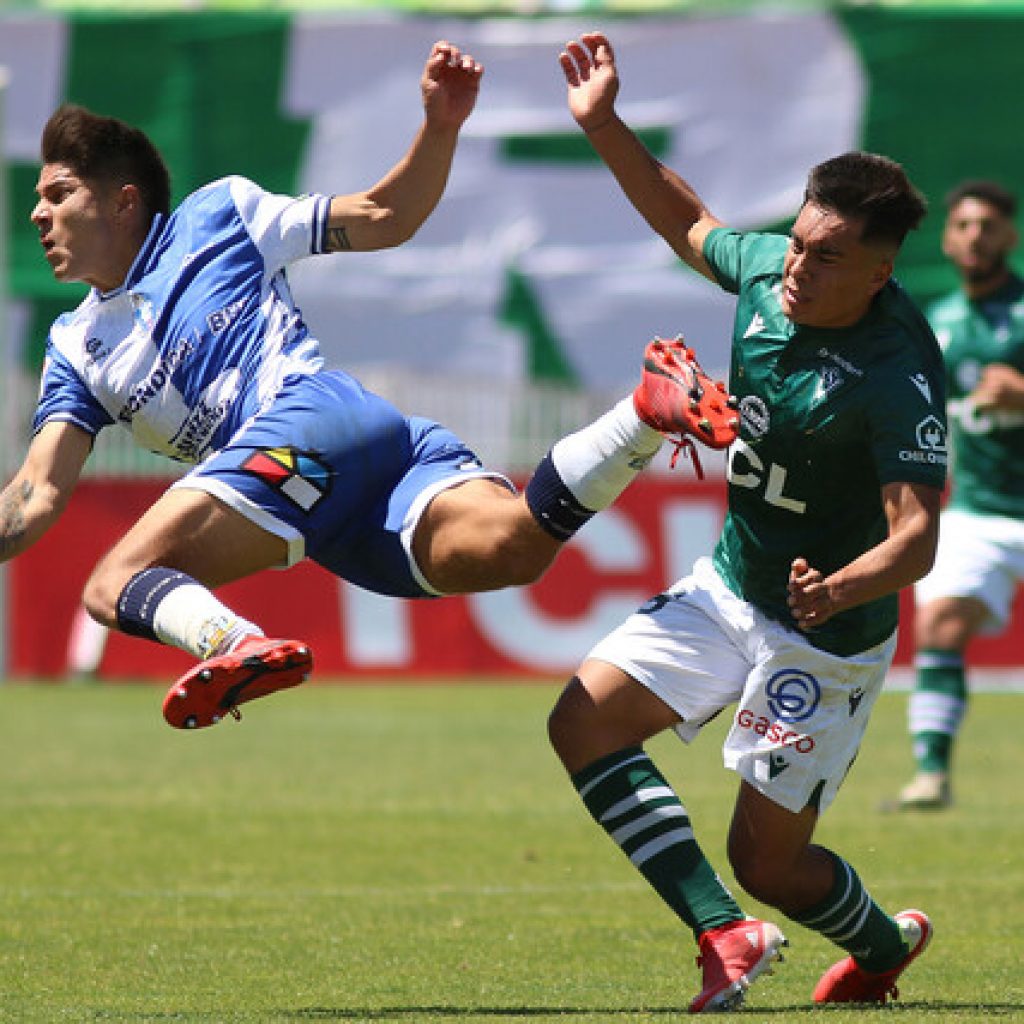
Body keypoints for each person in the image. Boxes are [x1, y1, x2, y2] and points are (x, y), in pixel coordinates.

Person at [1, 40, 724, 730]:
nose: (38, 213)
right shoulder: (75, 346)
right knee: (515, 548)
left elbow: (385, 215)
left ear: (125, 202)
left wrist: (440, 127)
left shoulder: (218, 216)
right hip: (337, 513)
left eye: (59, 194)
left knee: (110, 586)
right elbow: (35, 495)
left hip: (313, 419)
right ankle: (645, 410)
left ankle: (233, 644)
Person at [549, 32, 946, 1012]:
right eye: (798, 242)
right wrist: (604, 126)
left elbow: (918, 539)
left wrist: (840, 587)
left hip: (827, 633)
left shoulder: (895, 376)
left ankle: (880, 942)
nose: (796, 269)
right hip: (732, 579)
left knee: (768, 861)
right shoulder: (773, 270)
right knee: (582, 720)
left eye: (828, 258)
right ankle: (723, 932)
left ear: (882, 271)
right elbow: (688, 221)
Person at [891, 180, 1024, 811]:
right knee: (939, 623)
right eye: (965, 226)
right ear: (947, 239)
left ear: (1011, 237)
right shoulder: (933, 321)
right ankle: (930, 774)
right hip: (976, 510)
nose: (976, 236)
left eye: (989, 226)